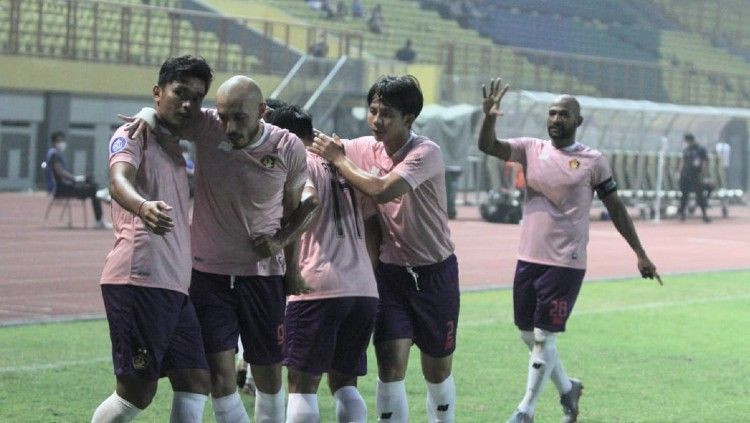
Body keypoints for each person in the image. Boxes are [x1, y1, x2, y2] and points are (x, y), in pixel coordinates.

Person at [478, 78, 662, 423]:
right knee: (527, 333)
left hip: (565, 261)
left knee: (545, 335)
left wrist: (640, 251)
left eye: (563, 114)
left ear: (578, 121)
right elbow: (488, 145)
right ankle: (567, 388)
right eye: (551, 113)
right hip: (528, 257)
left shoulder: (593, 161)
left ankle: (525, 410)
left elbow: (617, 208)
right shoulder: (531, 149)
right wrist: (489, 116)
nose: (555, 119)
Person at [128, 75, 309, 422]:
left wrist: (287, 257)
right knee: (221, 379)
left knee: (269, 378)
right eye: (224, 116)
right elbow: (165, 116)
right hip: (209, 275)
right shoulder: (209, 126)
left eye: (239, 117)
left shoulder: (287, 147)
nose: (229, 127)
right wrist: (145, 114)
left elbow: (296, 209)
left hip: (263, 277)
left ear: (262, 112)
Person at [310, 75, 459, 423]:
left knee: (437, 370)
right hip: (391, 275)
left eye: (386, 114)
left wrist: (339, 159)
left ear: (408, 118)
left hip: (436, 273)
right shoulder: (366, 147)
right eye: (373, 111)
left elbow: (380, 189)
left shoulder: (426, 153)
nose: (376, 120)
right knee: (390, 365)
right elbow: (321, 148)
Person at [91, 55, 214, 423]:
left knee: (195, 381)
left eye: (196, 97)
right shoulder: (133, 133)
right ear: (158, 92)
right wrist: (143, 206)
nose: (188, 104)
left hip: (175, 285)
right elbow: (118, 181)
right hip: (139, 278)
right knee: (136, 394)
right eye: (180, 92)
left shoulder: (174, 145)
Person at [265, 105, 380, 423]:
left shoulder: (296, 161)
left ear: (282, 135)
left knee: (302, 385)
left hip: (317, 286)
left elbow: (309, 200)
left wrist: (281, 239)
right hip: (363, 289)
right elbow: (372, 221)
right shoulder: (343, 165)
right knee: (344, 383)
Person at [44, 131, 110, 229]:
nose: (61, 143)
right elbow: (60, 172)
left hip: (63, 186)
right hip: (60, 188)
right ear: (54, 142)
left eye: (62, 140)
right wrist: (75, 179)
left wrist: (79, 179)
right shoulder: (54, 155)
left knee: (90, 182)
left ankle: (103, 199)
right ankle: (99, 219)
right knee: (93, 188)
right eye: (59, 140)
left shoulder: (52, 154)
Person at [678, 133, 711, 223]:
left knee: (700, 195)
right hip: (685, 175)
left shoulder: (700, 149)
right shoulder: (686, 150)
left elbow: (704, 162)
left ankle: (704, 215)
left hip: (696, 175)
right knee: (684, 195)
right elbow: (683, 161)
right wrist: (680, 173)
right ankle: (682, 214)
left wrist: (702, 174)